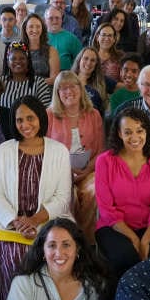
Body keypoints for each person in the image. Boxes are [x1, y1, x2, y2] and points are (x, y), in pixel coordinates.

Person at [0, 96, 72, 300]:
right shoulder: (5, 150)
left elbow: (63, 198)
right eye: (19, 120)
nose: (25, 125)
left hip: (48, 222)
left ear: (41, 119)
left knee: (49, 254)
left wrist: (34, 221)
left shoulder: (59, 151)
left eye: (30, 118)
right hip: (11, 225)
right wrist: (18, 223)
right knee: (15, 254)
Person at [95, 107, 150, 281]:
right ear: (119, 134)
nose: (135, 137)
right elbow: (107, 210)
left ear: (147, 132)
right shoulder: (104, 161)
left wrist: (144, 241)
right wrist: (134, 239)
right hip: (114, 228)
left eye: (140, 131)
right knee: (126, 257)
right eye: (128, 132)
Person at [48, 71, 105, 240]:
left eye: (73, 86)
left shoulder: (94, 114)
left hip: (89, 171)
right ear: (57, 93)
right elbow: (45, 151)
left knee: (93, 191)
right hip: (60, 173)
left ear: (81, 89)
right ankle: (69, 239)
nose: (69, 91)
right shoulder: (49, 115)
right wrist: (66, 171)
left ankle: (85, 240)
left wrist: (87, 169)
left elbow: (101, 150)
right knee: (68, 195)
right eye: (63, 88)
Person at [1, 41, 53, 109]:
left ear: (28, 61)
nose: (18, 62)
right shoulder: (0, 82)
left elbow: (45, 111)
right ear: (8, 62)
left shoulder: (39, 83)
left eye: (22, 58)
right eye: (13, 59)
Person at [22, 13, 62, 84]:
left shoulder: (51, 51)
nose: (34, 30)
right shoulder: (19, 49)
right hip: (23, 88)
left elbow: (54, 78)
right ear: (25, 29)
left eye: (38, 27)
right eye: (31, 26)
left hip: (45, 88)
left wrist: (36, 84)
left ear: (42, 29)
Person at [46, 5, 83, 71]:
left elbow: (80, 60)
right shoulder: (40, 37)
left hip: (65, 76)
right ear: (45, 20)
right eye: (51, 18)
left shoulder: (71, 38)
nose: (54, 21)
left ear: (61, 20)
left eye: (57, 18)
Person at [72, 47, 108, 113]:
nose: (88, 63)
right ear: (79, 60)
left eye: (93, 60)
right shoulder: (67, 80)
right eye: (86, 58)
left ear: (96, 65)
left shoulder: (102, 81)